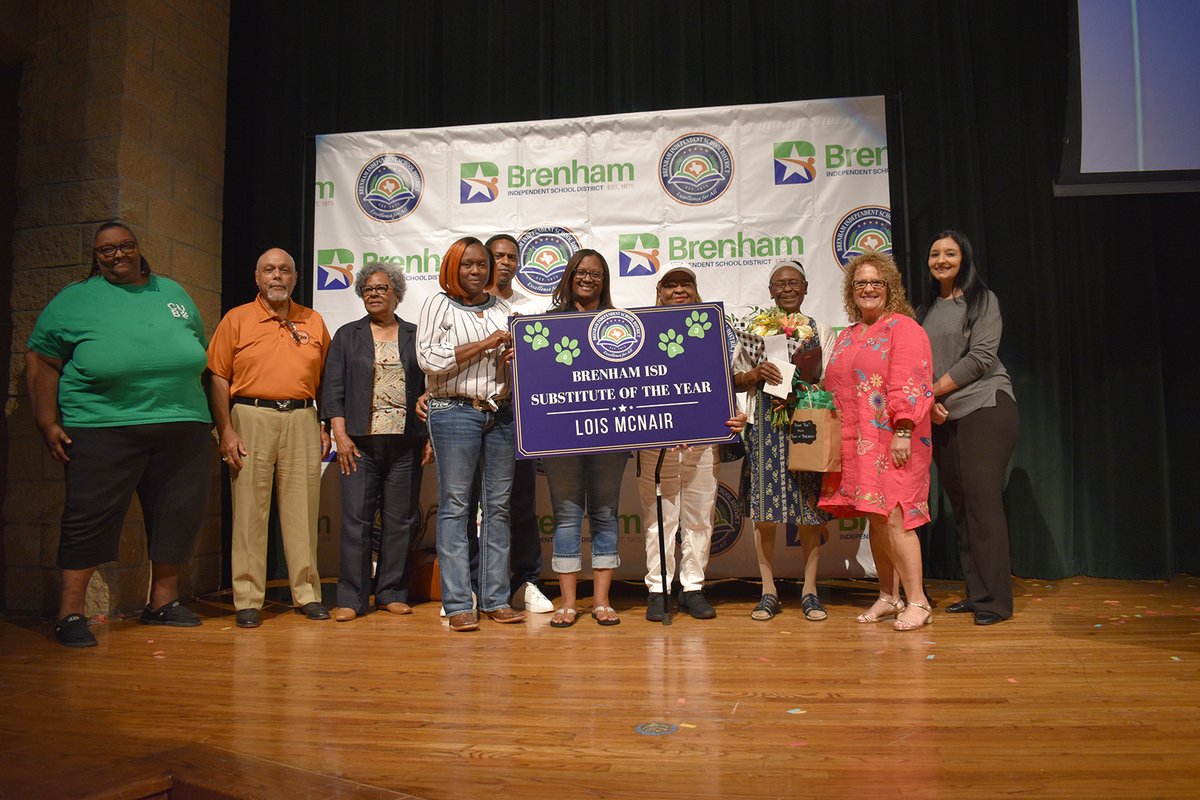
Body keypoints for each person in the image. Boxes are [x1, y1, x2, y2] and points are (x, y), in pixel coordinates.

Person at [26, 221, 213, 647]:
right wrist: (46, 420)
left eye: (124, 246)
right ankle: (70, 613)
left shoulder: (173, 293)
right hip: (101, 427)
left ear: (138, 247)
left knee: (177, 513)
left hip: (183, 424)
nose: (116, 255)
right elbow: (41, 360)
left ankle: (162, 603)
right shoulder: (74, 300)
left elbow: (194, 347)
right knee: (87, 518)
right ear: (96, 257)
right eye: (105, 251)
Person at [208, 248, 332, 629]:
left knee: (303, 512)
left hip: (302, 418)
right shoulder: (237, 319)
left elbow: (327, 376)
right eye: (269, 270)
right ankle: (247, 598)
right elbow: (217, 375)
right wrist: (226, 428)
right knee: (249, 512)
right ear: (257, 278)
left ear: (295, 278)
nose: (277, 276)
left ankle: (307, 594)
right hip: (250, 416)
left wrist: (324, 424)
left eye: (284, 270)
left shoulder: (313, 320)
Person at [819, 252, 936, 632]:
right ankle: (889, 595)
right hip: (859, 445)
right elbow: (836, 387)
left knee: (900, 519)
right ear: (851, 292)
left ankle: (918, 600)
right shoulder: (848, 335)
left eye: (876, 282)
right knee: (877, 519)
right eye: (860, 283)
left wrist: (903, 430)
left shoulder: (903, 328)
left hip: (896, 439)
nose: (868, 289)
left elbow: (911, 381)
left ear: (890, 288)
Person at [417, 237, 526, 632]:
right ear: (452, 267)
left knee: (497, 508)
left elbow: (514, 369)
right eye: (468, 265)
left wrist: (516, 360)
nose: (477, 271)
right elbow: (430, 360)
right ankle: (459, 602)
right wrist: (487, 344)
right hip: (454, 411)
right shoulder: (437, 304)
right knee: (455, 506)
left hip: (500, 412)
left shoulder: (504, 309)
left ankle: (496, 598)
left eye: (482, 264)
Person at [918, 230, 1018, 626]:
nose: (941, 260)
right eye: (935, 253)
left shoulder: (982, 300)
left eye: (950, 253)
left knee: (982, 503)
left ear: (965, 259)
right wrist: (932, 403)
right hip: (942, 414)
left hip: (985, 406)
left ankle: (996, 602)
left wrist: (930, 395)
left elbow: (980, 357)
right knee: (960, 506)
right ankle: (977, 594)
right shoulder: (924, 309)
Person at [637, 264, 746, 621]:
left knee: (699, 516)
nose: (679, 290)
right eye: (671, 285)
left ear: (696, 289)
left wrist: (738, 413)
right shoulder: (640, 331)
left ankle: (693, 587)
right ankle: (658, 590)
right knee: (660, 517)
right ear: (660, 290)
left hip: (703, 438)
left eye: (686, 284)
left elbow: (731, 378)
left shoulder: (717, 328)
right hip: (656, 441)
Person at [321, 263, 428, 622]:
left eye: (382, 288)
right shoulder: (347, 335)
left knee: (400, 521)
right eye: (367, 288)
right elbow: (333, 389)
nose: (374, 293)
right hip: (359, 445)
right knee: (356, 521)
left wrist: (428, 437)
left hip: (405, 442)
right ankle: (352, 597)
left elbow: (430, 390)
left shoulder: (416, 334)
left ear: (396, 294)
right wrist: (340, 434)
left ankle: (391, 592)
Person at [732, 260, 835, 622]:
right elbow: (734, 378)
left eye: (794, 282)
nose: (787, 288)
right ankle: (768, 590)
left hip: (805, 422)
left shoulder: (820, 328)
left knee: (808, 511)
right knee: (764, 511)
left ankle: (810, 590)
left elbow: (831, 378)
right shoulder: (755, 330)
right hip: (765, 425)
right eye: (780, 284)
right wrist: (757, 373)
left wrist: (802, 386)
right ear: (771, 291)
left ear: (806, 287)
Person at [542, 250, 627, 628]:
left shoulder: (620, 325)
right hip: (562, 437)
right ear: (569, 276)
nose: (587, 279)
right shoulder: (544, 325)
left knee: (606, 515)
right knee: (566, 516)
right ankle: (567, 603)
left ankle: (602, 601)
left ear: (604, 280)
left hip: (610, 437)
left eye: (595, 274)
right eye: (581, 272)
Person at [473, 234, 552, 613]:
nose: (505, 262)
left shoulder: (531, 307)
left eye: (511, 257)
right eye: (497, 256)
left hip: (518, 413)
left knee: (520, 500)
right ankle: (471, 587)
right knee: (471, 501)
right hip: (470, 412)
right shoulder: (465, 305)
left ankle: (525, 582)